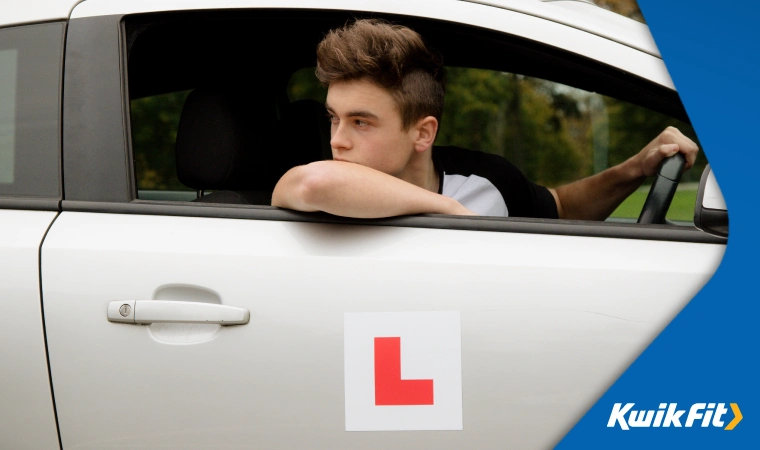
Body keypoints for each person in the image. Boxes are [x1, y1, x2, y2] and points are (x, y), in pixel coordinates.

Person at [272, 19, 699, 220]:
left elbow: (562, 208)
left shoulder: (484, 181)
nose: (338, 141)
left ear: (423, 133)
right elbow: (313, 184)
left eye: (361, 122)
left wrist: (635, 168)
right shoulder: (323, 180)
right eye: (334, 118)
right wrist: (449, 212)